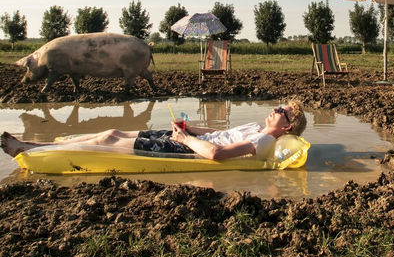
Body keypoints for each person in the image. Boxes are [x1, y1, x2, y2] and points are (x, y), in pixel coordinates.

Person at [1, 101, 306, 161]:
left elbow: (217, 154)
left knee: (109, 140)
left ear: (287, 126)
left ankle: (29, 150)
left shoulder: (264, 141)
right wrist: (188, 127)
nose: (275, 109)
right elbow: (216, 133)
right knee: (113, 130)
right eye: (278, 106)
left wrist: (185, 138)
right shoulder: (255, 126)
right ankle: (32, 143)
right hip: (190, 139)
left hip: (188, 150)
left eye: (282, 111)